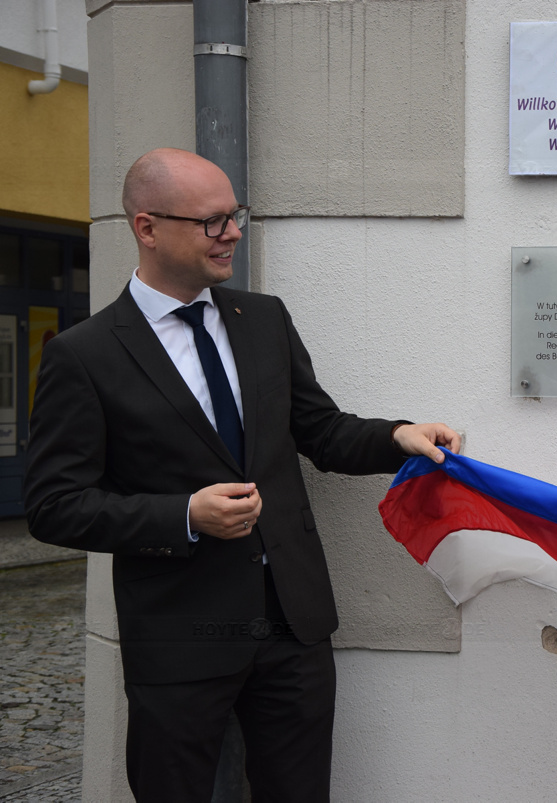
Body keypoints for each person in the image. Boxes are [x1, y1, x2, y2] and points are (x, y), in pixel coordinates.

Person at [23, 148, 461, 802]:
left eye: (235, 216)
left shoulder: (263, 320)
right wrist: (184, 515)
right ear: (147, 227)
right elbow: (55, 504)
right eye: (212, 221)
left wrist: (397, 436)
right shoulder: (83, 355)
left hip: (293, 623)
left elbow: (319, 430)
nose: (232, 233)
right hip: (177, 638)